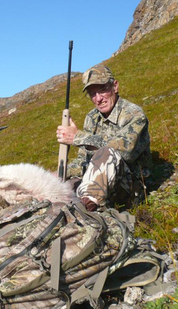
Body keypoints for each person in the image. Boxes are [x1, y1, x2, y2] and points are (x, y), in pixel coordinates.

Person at [56, 63, 152, 211]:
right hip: (94, 183)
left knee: (107, 152)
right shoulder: (92, 117)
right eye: (92, 94)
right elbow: (83, 161)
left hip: (129, 188)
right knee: (61, 187)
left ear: (115, 86)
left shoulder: (134, 114)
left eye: (102, 90)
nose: (98, 98)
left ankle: (87, 210)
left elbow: (123, 151)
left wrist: (78, 138)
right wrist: (60, 175)